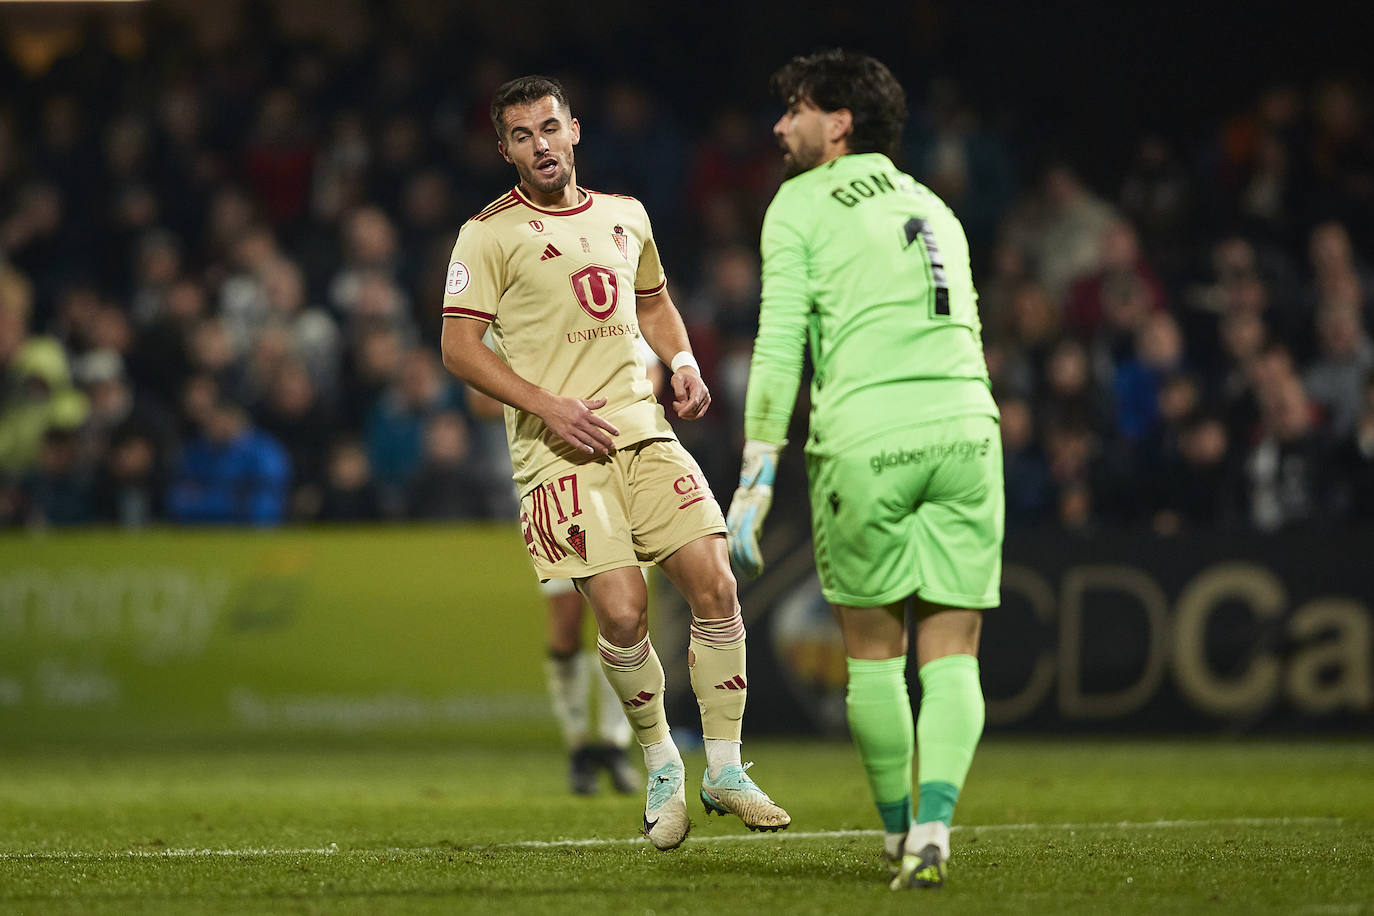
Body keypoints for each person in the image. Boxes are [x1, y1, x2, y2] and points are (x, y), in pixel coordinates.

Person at [438, 74, 789, 850]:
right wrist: (546, 404)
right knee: (624, 612)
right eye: (523, 136)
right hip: (559, 450)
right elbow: (458, 347)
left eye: (550, 128)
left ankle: (725, 767)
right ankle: (662, 762)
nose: (541, 145)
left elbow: (654, 301)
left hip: (645, 428)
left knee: (716, 580)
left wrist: (685, 360)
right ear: (505, 151)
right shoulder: (486, 234)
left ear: (574, 131)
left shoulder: (625, 215)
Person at [726, 50, 1002, 890]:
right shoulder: (936, 206)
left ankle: (893, 835)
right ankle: (934, 829)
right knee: (952, 650)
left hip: (866, 438)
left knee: (875, 655)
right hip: (966, 428)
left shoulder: (800, 203)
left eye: (796, 109)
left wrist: (756, 471)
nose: (780, 127)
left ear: (838, 124)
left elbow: (779, 343)